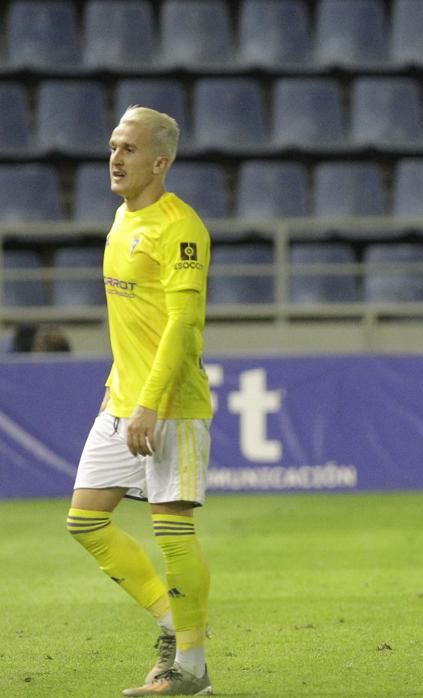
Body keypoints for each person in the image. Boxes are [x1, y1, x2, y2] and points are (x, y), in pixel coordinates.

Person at [66, 106, 214, 696]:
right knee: (85, 520)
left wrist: (151, 402)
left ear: (161, 160)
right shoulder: (121, 219)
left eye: (128, 149)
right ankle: (173, 624)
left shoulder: (180, 228)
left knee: (171, 530)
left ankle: (193, 669)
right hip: (121, 399)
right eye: (112, 147)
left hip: (170, 404)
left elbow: (183, 326)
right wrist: (117, 390)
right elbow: (133, 324)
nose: (115, 159)